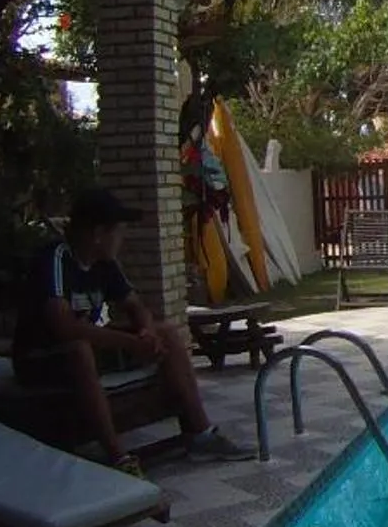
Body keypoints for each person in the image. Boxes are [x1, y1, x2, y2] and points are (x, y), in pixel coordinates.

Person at [13, 187, 246, 474]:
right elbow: (64, 327)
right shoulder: (55, 259)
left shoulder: (105, 264)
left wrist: (146, 332)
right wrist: (128, 343)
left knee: (166, 333)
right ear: (98, 233)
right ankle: (119, 458)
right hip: (40, 358)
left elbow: (136, 306)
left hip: (85, 349)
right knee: (79, 350)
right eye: (119, 232)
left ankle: (200, 432)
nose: (122, 239)